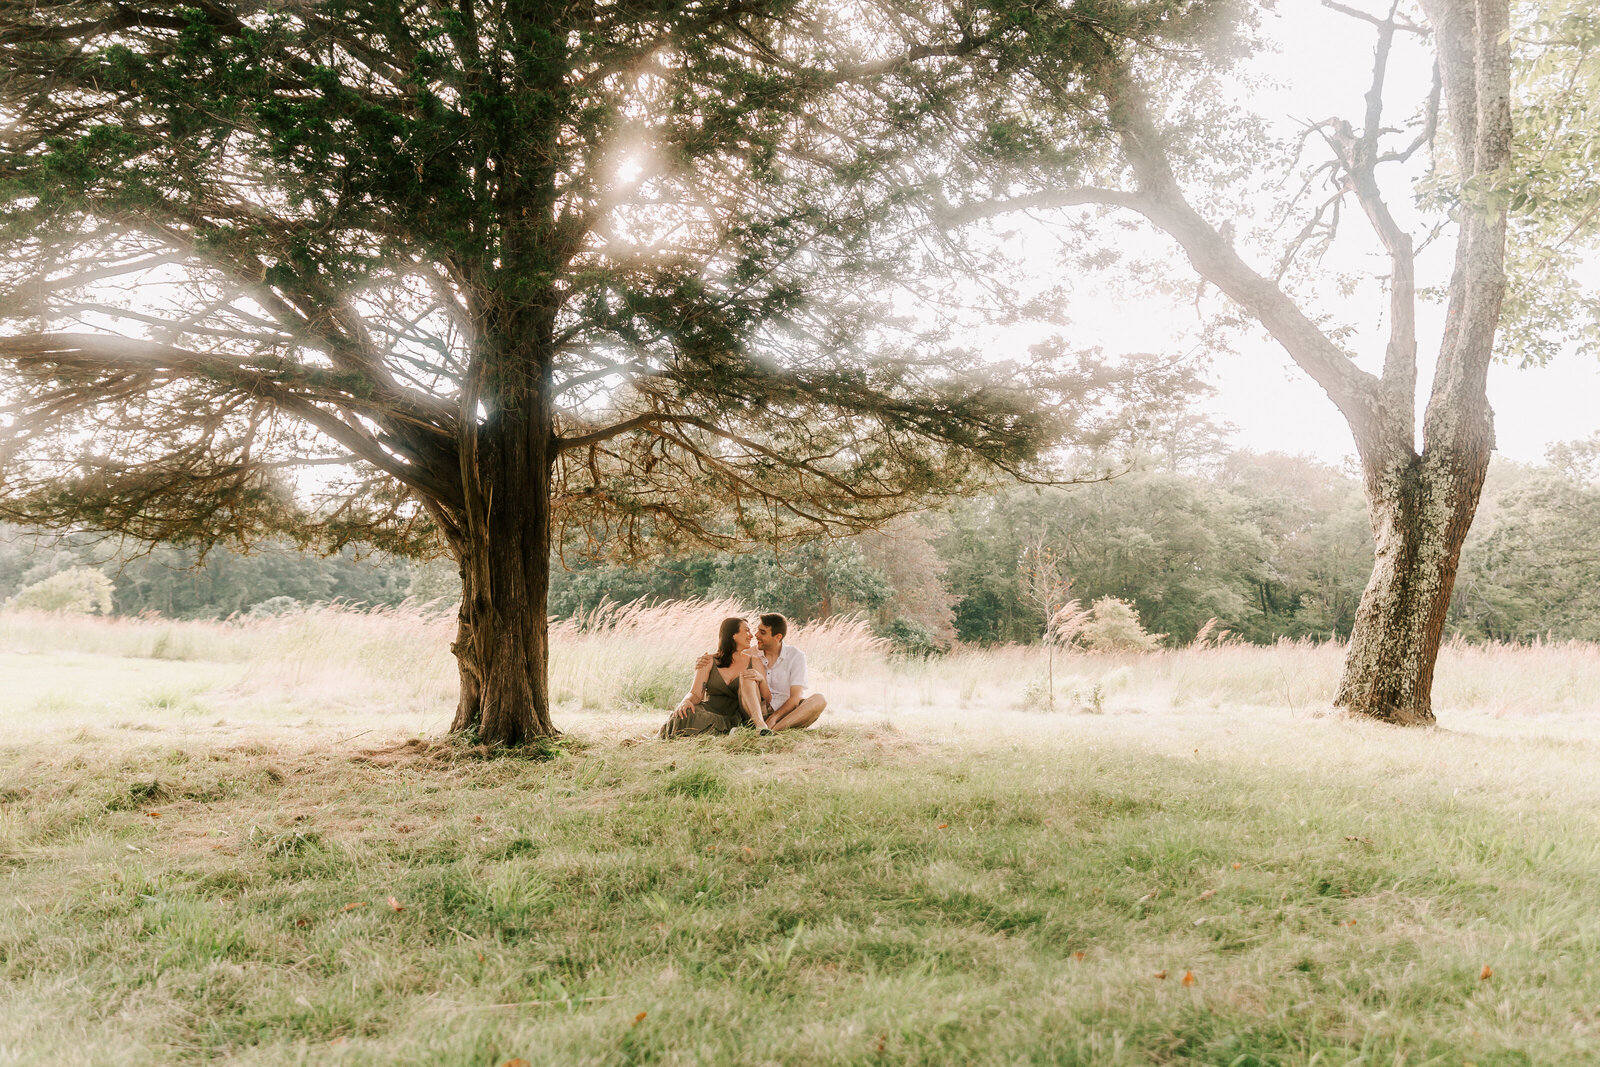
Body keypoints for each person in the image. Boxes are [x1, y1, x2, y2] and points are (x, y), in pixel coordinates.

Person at [658, 617, 775, 738]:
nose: (751, 635)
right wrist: (685, 701)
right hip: (711, 712)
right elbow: (696, 693)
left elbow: (767, 698)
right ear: (733, 635)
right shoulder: (708, 661)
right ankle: (723, 733)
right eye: (747, 630)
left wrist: (760, 679)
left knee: (747, 676)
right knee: (686, 713)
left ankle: (758, 728)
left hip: (740, 715)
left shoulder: (754, 661)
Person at [750, 612, 826, 731]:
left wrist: (774, 717)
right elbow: (726, 658)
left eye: (762, 632)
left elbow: (795, 698)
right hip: (760, 712)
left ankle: (772, 731)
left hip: (788, 713)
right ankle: (766, 730)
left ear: (778, 637)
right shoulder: (750, 654)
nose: (756, 635)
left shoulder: (796, 656)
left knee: (820, 699)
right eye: (758, 630)